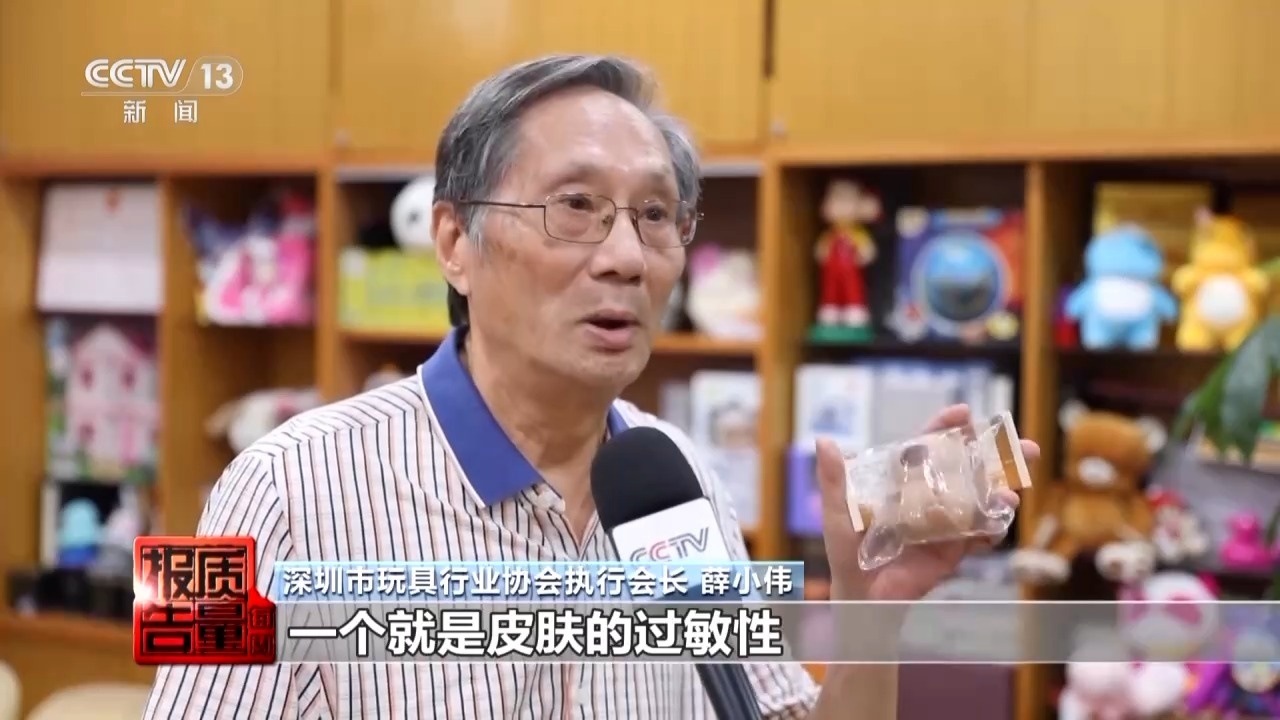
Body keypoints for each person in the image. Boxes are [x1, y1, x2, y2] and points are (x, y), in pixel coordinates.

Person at [143, 54, 1038, 719]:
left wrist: (873, 620)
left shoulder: (675, 476)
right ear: (453, 243)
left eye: (655, 215)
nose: (625, 257)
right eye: (575, 207)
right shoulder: (275, 487)